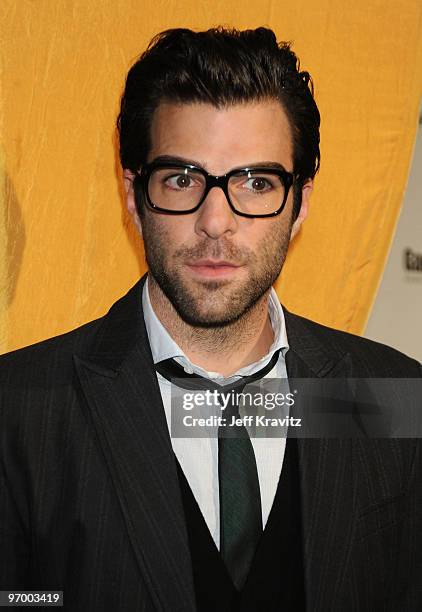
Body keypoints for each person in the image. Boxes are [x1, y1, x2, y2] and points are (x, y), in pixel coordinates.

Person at [1, 26, 421, 612]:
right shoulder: (20, 410)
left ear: (298, 205)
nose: (216, 221)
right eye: (182, 179)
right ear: (133, 194)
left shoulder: (391, 399)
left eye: (255, 182)